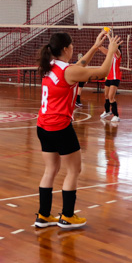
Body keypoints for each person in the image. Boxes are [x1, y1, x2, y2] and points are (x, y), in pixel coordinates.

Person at [34, 30, 118, 229]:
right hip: (60, 127)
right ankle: (67, 216)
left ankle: (43, 215)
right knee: (74, 170)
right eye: (71, 46)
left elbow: (78, 67)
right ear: (66, 49)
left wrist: (95, 47)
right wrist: (111, 52)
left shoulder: (50, 66)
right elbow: (103, 72)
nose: (73, 48)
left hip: (43, 126)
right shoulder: (68, 71)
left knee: (51, 169)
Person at [98, 38, 122, 123]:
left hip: (115, 78)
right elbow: (99, 47)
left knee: (111, 97)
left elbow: (117, 51)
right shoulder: (109, 54)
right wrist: (103, 36)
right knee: (106, 96)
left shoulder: (118, 54)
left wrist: (114, 44)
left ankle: (116, 115)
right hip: (108, 77)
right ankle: (107, 111)